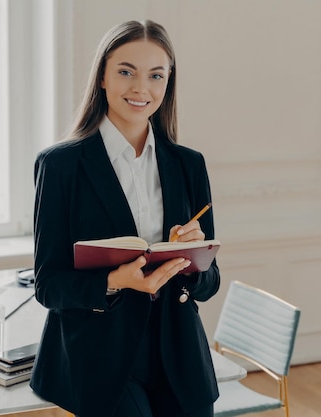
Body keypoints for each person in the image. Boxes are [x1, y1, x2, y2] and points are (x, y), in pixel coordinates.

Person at [30, 19, 220, 417]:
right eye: (125, 71)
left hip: (179, 354)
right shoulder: (61, 166)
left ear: (168, 83)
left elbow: (209, 283)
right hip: (101, 358)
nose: (141, 88)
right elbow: (49, 286)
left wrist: (192, 262)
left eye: (156, 75)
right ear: (102, 76)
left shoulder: (189, 165)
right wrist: (116, 281)